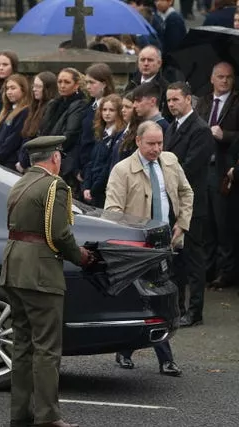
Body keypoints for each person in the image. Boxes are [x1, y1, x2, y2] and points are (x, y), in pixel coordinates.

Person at [0, 135, 93, 427]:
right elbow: (59, 233)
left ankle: (20, 413)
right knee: (46, 348)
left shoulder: (19, 183)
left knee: (23, 345)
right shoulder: (55, 185)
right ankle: (47, 416)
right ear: (55, 158)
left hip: (14, 269)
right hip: (40, 274)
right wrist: (82, 258)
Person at [105, 120, 192, 377]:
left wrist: (182, 224)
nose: (156, 148)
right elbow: (112, 212)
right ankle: (164, 358)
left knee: (160, 297)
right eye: (151, 144)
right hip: (138, 247)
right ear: (138, 142)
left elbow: (186, 193)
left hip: (166, 242)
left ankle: (128, 350)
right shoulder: (122, 170)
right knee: (143, 298)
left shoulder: (170, 161)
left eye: (160, 143)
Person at [164, 82, 215, 326]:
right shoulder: (172, 127)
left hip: (192, 203)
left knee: (194, 258)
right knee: (178, 259)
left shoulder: (200, 130)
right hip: (175, 202)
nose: (171, 104)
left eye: (175, 99)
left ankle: (195, 312)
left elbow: (189, 168)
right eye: (169, 100)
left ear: (188, 100)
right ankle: (178, 308)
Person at [195, 62, 239, 290]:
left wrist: (225, 135)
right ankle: (207, 268)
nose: (224, 81)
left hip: (224, 170)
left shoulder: (236, 102)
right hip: (204, 168)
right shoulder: (203, 102)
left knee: (224, 224)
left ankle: (225, 272)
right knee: (206, 223)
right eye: (220, 77)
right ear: (212, 78)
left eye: (229, 77)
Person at [39, 68, 88, 188]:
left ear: (76, 85)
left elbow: (69, 135)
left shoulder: (79, 105)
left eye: (67, 82)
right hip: (47, 157)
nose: (62, 85)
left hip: (63, 161)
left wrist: (51, 151)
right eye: (59, 82)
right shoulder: (55, 104)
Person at [75, 63, 116, 196]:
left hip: (94, 169)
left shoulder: (109, 110)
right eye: (87, 82)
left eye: (92, 83)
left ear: (104, 84)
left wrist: (87, 172)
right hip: (84, 166)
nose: (88, 87)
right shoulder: (91, 106)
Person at [82, 94, 125, 208]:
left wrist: (94, 189)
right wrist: (86, 186)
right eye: (104, 110)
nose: (107, 113)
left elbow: (107, 165)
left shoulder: (118, 135)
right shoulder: (100, 134)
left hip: (103, 189)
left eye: (112, 110)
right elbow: (91, 162)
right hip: (92, 186)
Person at [0, 73, 31, 171]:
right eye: (7, 89)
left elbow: (14, 139)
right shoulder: (7, 112)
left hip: (10, 164)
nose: (9, 92)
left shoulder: (25, 112)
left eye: (13, 88)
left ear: (23, 90)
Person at [17, 71, 57, 172]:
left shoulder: (50, 107)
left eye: (39, 86)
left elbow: (39, 136)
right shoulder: (35, 107)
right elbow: (26, 135)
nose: (34, 89)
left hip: (34, 164)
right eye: (34, 86)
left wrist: (23, 162)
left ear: (47, 88)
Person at [124, 45, 172, 121]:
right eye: (142, 60)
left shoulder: (165, 88)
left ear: (159, 63)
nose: (146, 63)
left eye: (150, 60)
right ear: (138, 63)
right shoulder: (131, 84)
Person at [110, 91, 141, 170]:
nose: (123, 110)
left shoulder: (139, 132)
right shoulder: (121, 132)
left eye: (127, 107)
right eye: (122, 107)